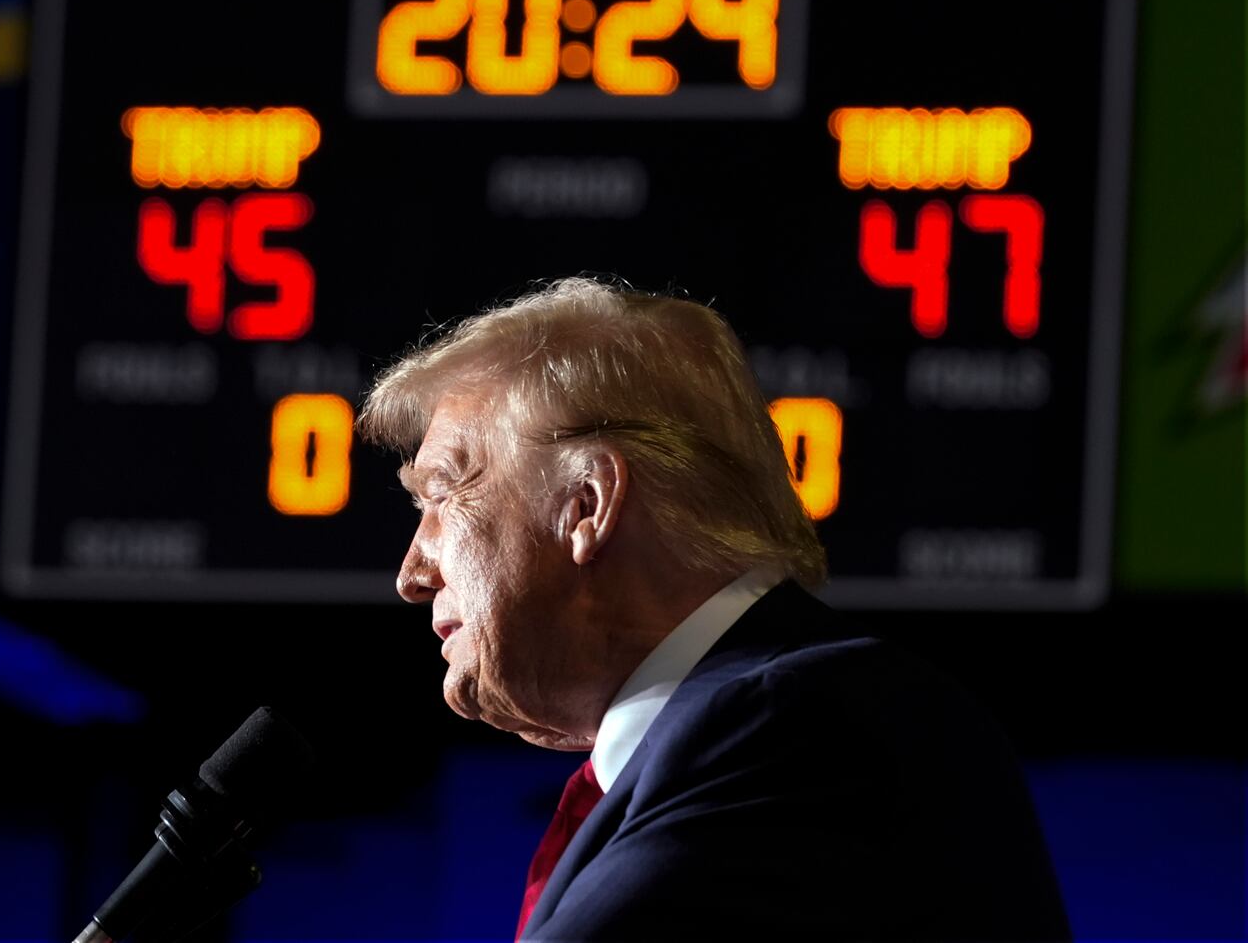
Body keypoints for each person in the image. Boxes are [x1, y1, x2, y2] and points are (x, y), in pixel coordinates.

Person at [356, 276, 1069, 942]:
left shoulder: (789, 726)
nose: (412, 573)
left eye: (444, 493)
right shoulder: (749, 729)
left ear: (586, 506)